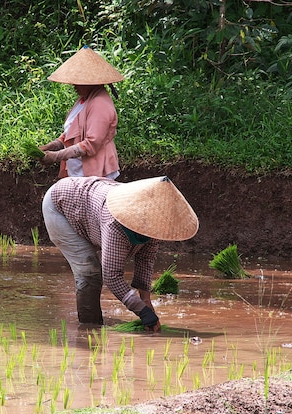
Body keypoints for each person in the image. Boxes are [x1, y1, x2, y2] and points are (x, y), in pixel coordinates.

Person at [42, 176, 198, 332]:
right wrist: (142, 312)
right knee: (89, 273)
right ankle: (89, 328)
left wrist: (146, 299)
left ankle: (92, 322)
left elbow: (145, 258)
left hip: (89, 210)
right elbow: (112, 276)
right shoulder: (115, 221)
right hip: (60, 207)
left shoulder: (154, 223)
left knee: (94, 269)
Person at [40, 46, 123, 179]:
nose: (74, 86)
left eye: (79, 82)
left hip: (96, 174)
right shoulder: (83, 100)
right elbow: (70, 135)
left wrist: (56, 156)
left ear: (91, 82)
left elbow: (91, 144)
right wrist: (49, 147)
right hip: (78, 173)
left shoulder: (100, 104)